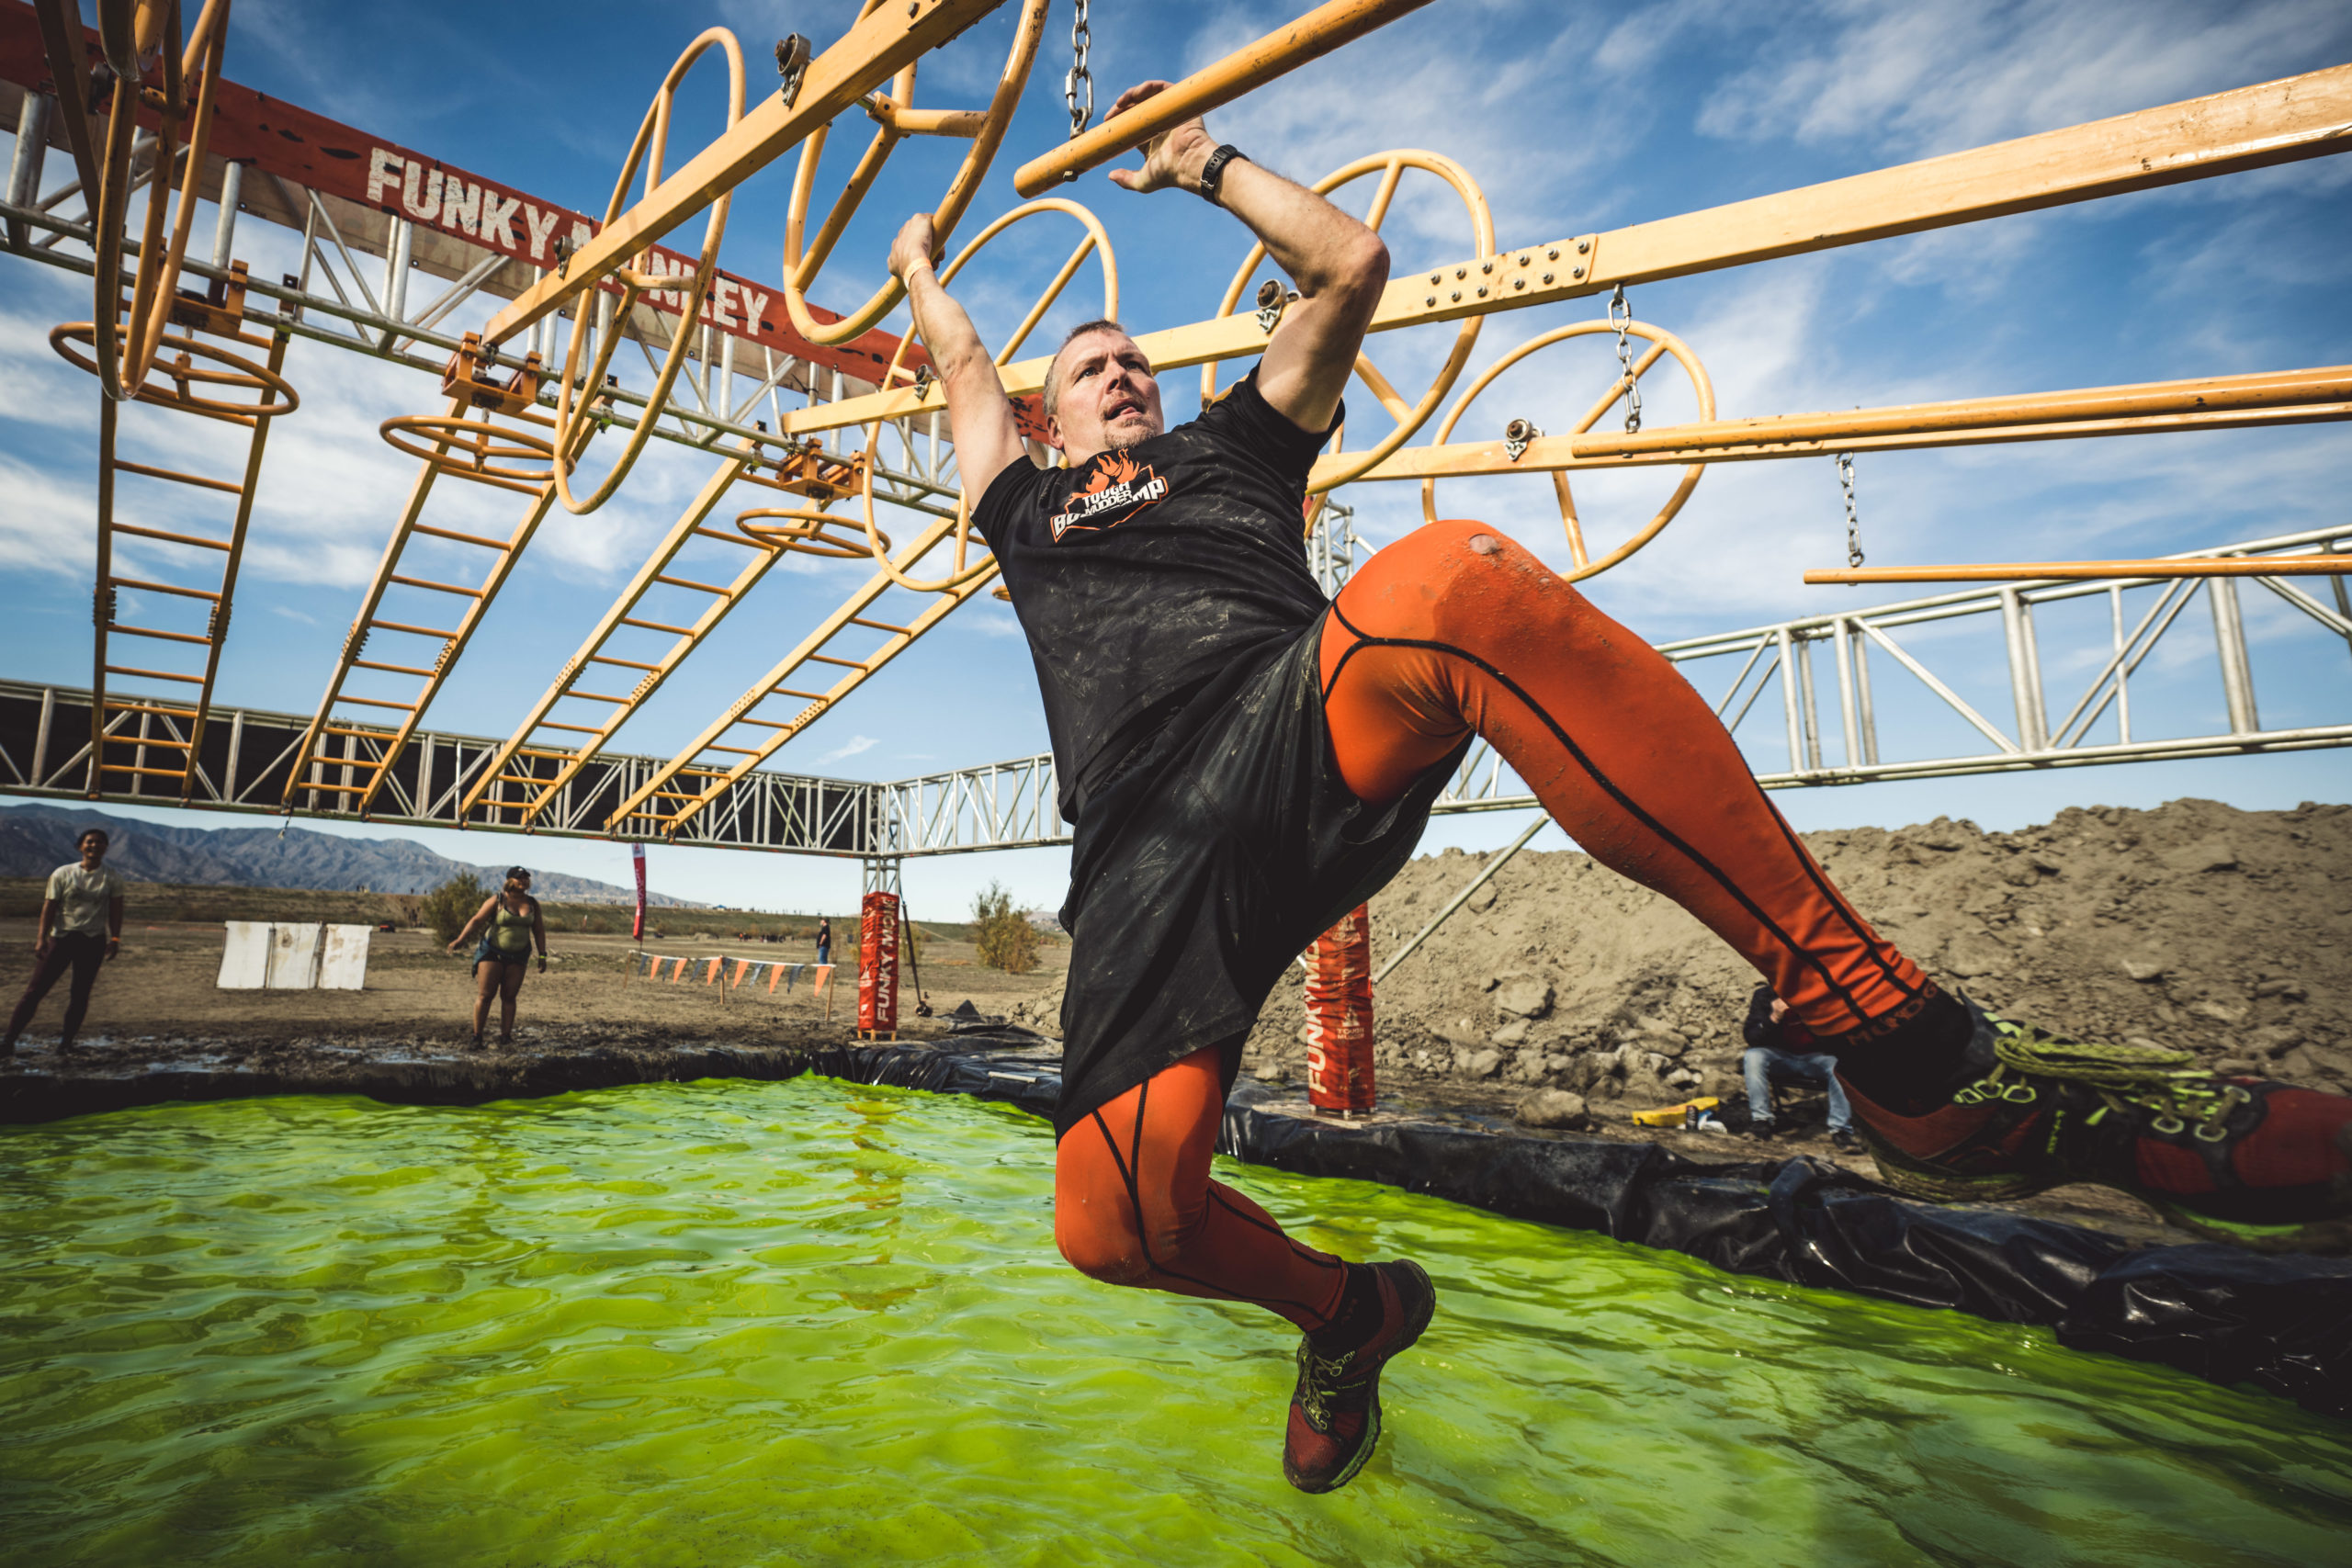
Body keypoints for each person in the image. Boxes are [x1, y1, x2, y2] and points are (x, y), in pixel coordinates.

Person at [888, 79, 2352, 1494]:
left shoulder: (1237, 448)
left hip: (1285, 726)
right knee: (1114, 1224)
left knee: (1446, 575)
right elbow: (960, 369)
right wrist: (911, 263)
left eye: (1135, 354)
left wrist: (1204, 160)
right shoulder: (1022, 510)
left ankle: (1908, 1052)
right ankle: (1347, 1315)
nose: (1122, 369)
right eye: (1090, 367)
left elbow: (1347, 265)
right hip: (1139, 849)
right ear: (1053, 417)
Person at [3, 828, 126, 1055]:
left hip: (93, 942)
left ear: (106, 848)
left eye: (100, 842)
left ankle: (66, 1044)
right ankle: (8, 1041)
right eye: (89, 842)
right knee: (35, 991)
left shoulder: (112, 877)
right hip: (61, 939)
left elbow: (116, 910)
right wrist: (41, 939)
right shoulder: (63, 873)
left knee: (80, 994)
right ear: (80, 846)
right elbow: (49, 907)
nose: (94, 846)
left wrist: (115, 938)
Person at [1740, 984, 1856, 1149]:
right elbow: (1752, 1037)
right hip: (1780, 1056)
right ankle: (1761, 1121)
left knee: (1839, 1066)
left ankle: (1840, 1130)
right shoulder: (1765, 996)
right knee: (1754, 1056)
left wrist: (1816, 1014)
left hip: (1816, 1057)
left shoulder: (1822, 995)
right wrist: (1774, 1017)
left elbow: (1841, 1036)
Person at [447, 867, 545, 1047]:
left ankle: (505, 1037)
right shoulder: (498, 900)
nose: (523, 881)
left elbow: (538, 930)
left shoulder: (532, 903)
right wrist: (460, 939)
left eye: (526, 878)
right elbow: (477, 920)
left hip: (519, 956)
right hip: (492, 952)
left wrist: (542, 955)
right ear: (510, 880)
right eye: (519, 878)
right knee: (485, 995)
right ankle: (477, 1037)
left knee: (509, 997)